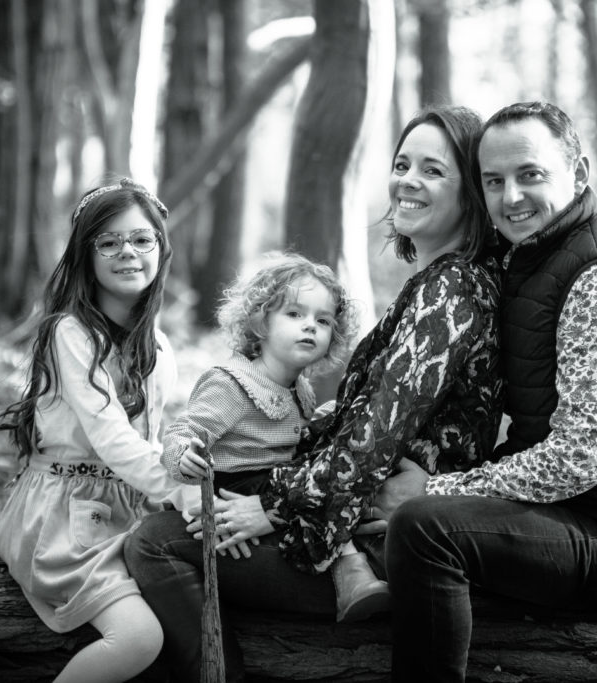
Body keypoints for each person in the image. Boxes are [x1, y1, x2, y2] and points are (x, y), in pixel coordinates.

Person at [124, 104, 503, 681]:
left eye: (434, 170)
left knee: (154, 544)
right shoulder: (436, 286)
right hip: (362, 513)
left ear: (471, 192)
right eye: (402, 164)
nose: (408, 180)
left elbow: (374, 436)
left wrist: (270, 506)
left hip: (384, 541)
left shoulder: (451, 291)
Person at [372, 101, 597, 682]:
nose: (511, 197)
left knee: (425, 527)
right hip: (579, 516)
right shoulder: (533, 258)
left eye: (530, 175)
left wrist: (432, 488)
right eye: (494, 181)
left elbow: (579, 457)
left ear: (578, 174)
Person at [0, 178, 190, 683]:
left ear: (161, 249)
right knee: (139, 637)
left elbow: (152, 440)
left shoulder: (159, 347)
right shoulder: (70, 333)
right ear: (87, 254)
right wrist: (187, 495)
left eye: (142, 239)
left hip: (126, 510)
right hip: (63, 514)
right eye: (109, 241)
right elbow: (110, 438)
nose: (128, 252)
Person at [165, 252, 391, 622]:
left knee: (319, 475)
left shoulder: (299, 389)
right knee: (313, 489)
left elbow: (290, 442)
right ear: (260, 321)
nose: (310, 326)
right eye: (294, 314)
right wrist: (182, 455)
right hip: (238, 484)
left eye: (323, 320)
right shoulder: (232, 383)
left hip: (273, 483)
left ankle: (364, 535)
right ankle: (351, 566)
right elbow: (182, 430)